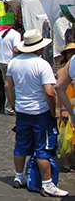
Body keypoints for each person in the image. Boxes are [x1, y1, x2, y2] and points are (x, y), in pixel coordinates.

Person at [5, 29, 67, 197]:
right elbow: (49, 92)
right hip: (40, 112)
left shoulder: (14, 63)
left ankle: (19, 177)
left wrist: (14, 105)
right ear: (39, 47)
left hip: (22, 110)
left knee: (20, 145)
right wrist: (53, 111)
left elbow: (8, 87)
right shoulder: (42, 65)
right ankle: (47, 184)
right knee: (43, 149)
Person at [54, 42, 75, 173]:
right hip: (68, 104)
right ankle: (67, 162)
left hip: (71, 105)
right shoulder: (63, 69)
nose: (72, 54)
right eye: (69, 52)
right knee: (67, 135)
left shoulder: (71, 64)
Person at [0, 22, 23, 115]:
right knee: (12, 86)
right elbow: (16, 49)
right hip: (10, 62)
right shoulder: (16, 35)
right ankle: (10, 107)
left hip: (1, 61)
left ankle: (8, 106)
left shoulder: (2, 33)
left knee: (7, 84)